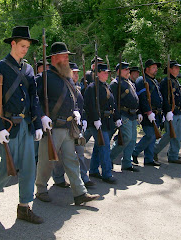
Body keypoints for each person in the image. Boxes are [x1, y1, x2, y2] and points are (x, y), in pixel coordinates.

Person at [0, 26, 44, 224]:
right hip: (8, 126)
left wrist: (37, 123)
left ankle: (24, 207)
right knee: (9, 167)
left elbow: (34, 98)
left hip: (26, 124)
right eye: (22, 46)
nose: (25, 49)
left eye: (27, 46)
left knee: (28, 167)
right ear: (13, 44)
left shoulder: (28, 69)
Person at [35, 42, 99, 205]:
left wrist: (76, 110)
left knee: (72, 160)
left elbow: (75, 98)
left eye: (67, 56)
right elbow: (35, 101)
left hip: (69, 126)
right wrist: (41, 116)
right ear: (54, 58)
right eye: (63, 56)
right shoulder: (44, 78)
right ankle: (41, 188)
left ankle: (79, 193)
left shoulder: (67, 78)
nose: (66, 59)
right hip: (52, 128)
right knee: (47, 161)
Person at [52, 62, 95, 187]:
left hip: (77, 125)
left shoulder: (77, 88)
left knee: (80, 152)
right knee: (60, 156)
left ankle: (84, 178)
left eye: (77, 73)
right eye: (73, 72)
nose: (76, 75)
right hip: (65, 124)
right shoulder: (63, 87)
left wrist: (85, 118)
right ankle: (59, 178)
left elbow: (83, 105)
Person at [84, 63, 121, 183]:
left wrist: (117, 117)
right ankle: (107, 173)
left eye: (107, 72)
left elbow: (113, 103)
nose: (106, 74)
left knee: (98, 146)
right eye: (104, 72)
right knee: (104, 146)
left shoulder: (106, 86)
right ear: (98, 73)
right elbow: (90, 105)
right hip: (97, 122)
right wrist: (95, 119)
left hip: (106, 121)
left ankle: (94, 170)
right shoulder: (92, 87)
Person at [154, 60, 181, 164]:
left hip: (177, 111)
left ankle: (173, 155)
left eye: (178, 68)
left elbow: (179, 98)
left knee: (178, 135)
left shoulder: (175, 81)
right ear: (170, 69)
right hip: (170, 112)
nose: (178, 70)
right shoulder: (165, 82)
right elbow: (164, 98)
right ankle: (154, 150)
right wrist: (167, 111)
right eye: (175, 68)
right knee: (170, 134)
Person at [110, 61, 140, 172]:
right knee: (126, 138)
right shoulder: (115, 84)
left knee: (132, 139)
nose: (128, 71)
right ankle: (110, 158)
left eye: (128, 69)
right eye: (125, 69)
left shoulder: (129, 82)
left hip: (132, 114)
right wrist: (117, 117)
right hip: (123, 114)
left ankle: (127, 162)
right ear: (119, 71)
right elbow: (113, 102)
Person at [132, 59, 163, 166]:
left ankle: (149, 158)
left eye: (156, 67)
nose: (156, 69)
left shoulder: (154, 81)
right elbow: (142, 98)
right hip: (147, 113)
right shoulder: (142, 81)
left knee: (153, 136)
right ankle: (135, 152)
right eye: (153, 67)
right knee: (150, 135)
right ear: (147, 69)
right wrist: (148, 112)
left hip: (156, 113)